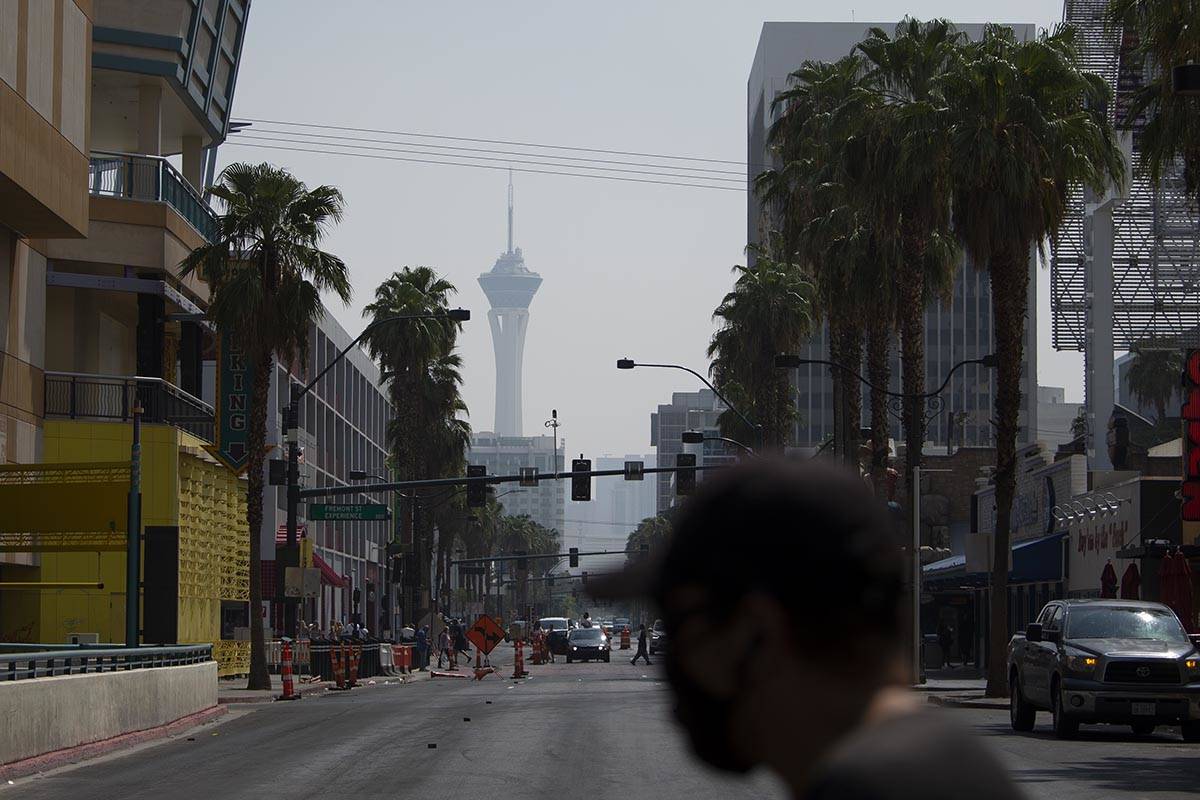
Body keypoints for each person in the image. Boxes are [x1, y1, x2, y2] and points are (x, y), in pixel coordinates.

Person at [589, 459, 1023, 800]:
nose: (676, 667)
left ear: (758, 632)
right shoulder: (926, 764)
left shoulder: (872, 788)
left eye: (684, 624)